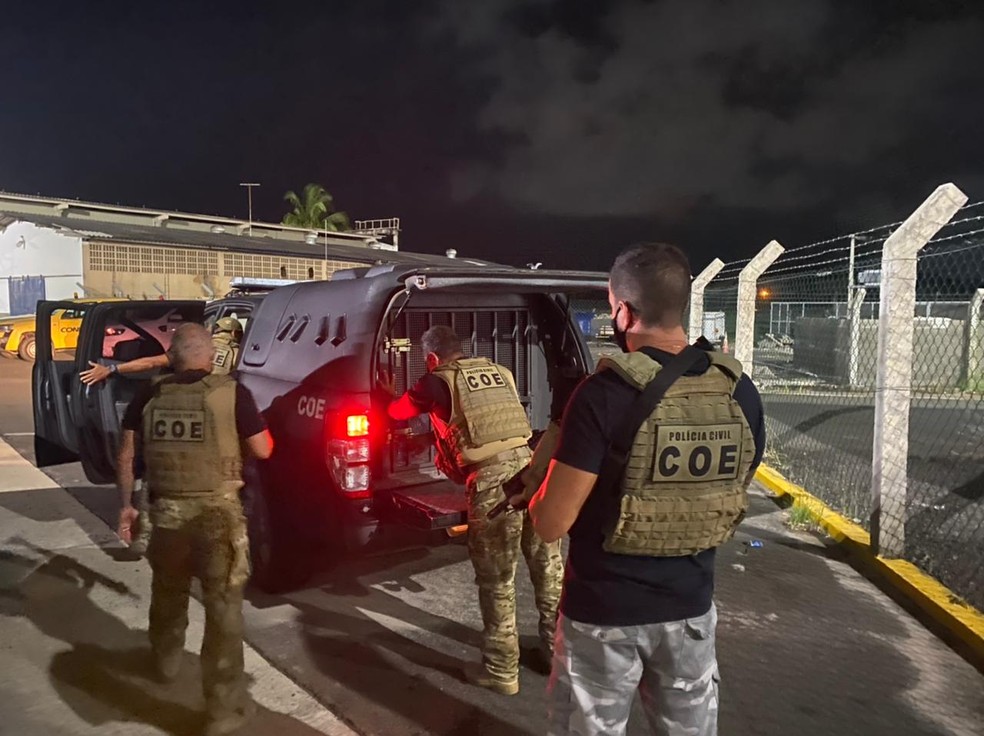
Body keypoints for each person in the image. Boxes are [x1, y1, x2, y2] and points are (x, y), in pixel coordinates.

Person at [529, 243, 766, 736]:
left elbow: (551, 524)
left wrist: (536, 485)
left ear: (622, 311)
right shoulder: (738, 390)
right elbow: (731, 487)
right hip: (691, 610)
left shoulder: (603, 395)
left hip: (603, 617)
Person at [378, 325, 562, 695]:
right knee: (548, 572)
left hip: (494, 484)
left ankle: (501, 669)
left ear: (431, 358)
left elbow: (398, 413)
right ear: (461, 349)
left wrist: (387, 394)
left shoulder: (434, 382)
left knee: (497, 581)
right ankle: (556, 656)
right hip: (534, 472)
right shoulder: (500, 372)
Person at [115, 323, 273, 736]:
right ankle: (222, 711)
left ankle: (166, 660)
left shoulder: (150, 393)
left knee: (167, 588)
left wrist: (127, 507)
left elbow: (127, 454)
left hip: (164, 513)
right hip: (216, 519)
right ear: (210, 355)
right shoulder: (233, 392)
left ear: (173, 356)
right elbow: (264, 448)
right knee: (223, 613)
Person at [80, 316, 244, 385]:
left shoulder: (190, 348)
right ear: (236, 334)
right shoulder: (240, 354)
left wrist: (111, 369)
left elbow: (151, 362)